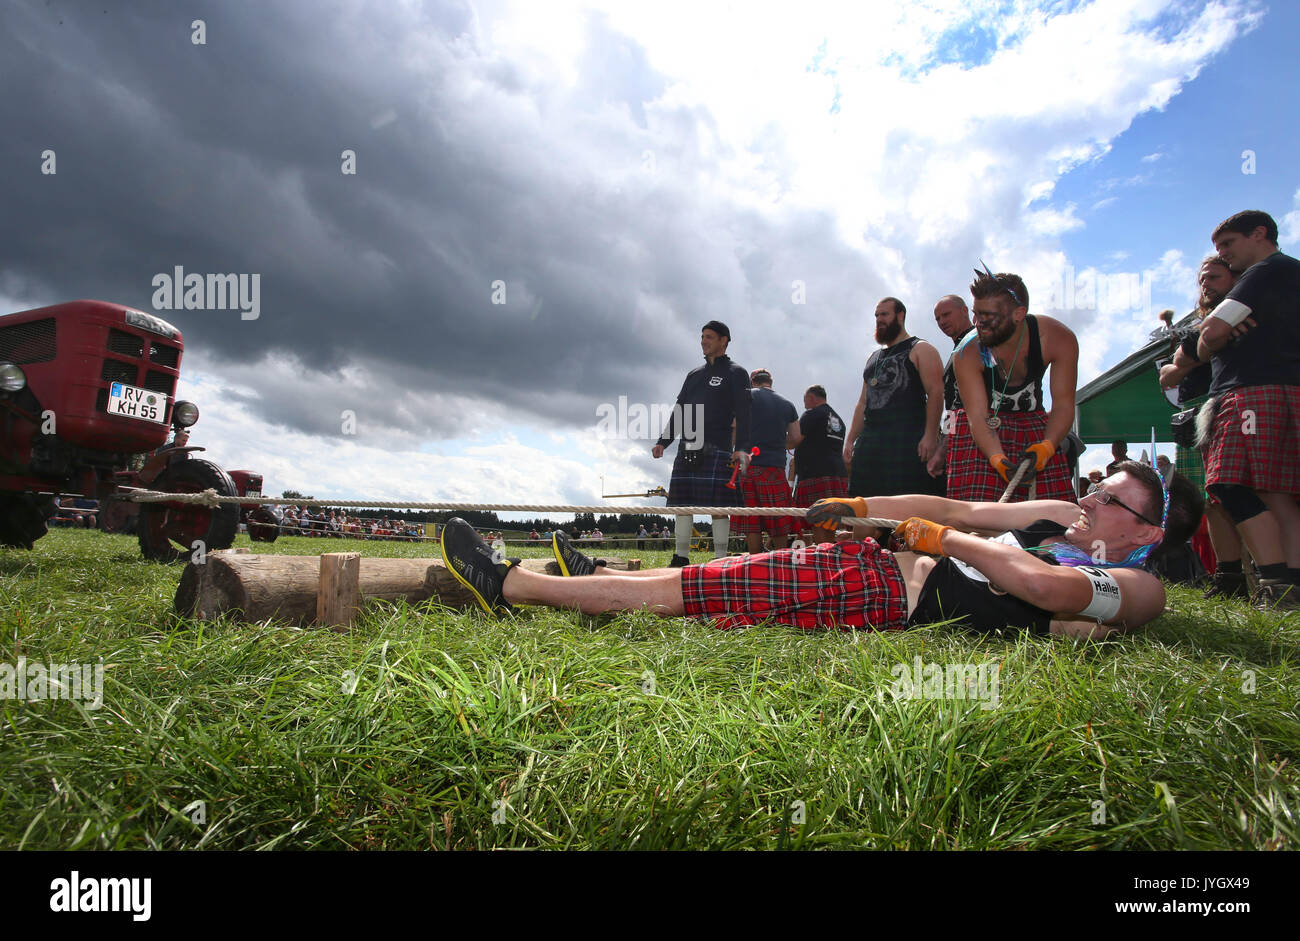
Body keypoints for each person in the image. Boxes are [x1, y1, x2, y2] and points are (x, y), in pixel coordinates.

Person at [438, 461, 1202, 640]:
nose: (1091, 498)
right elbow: (953, 505)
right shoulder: (1056, 520)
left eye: (1110, 497)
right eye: (1096, 484)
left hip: (895, 592)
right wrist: (865, 508)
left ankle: (512, 585)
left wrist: (945, 541)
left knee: (689, 591)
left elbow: (1055, 596)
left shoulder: (1138, 585)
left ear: (1150, 530)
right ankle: (587, 578)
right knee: (717, 578)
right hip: (882, 566)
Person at [1182, 209, 1300, 608]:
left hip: (1251, 392)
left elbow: (1209, 336)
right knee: (1279, 493)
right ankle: (1288, 586)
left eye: (1228, 245)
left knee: (1227, 485)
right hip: (1286, 387)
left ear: (1259, 234)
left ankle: (1274, 582)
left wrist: (1214, 333)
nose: (1225, 255)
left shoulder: (1262, 273)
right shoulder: (1291, 272)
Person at [948, 268, 1079, 504]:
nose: (978, 324)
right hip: (980, 431)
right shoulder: (965, 352)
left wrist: (1047, 447)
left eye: (988, 316)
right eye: (976, 314)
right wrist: (997, 459)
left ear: (1019, 313)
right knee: (978, 520)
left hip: (1034, 424)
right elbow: (974, 416)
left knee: (1054, 518)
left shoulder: (1058, 338)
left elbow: (1063, 404)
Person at [652, 320, 753, 566]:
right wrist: (663, 442)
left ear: (723, 340)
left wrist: (741, 447)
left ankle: (720, 558)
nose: (703, 341)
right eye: (702, 337)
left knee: (719, 507)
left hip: (718, 447)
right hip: (688, 445)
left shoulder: (736, 373)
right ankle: (680, 557)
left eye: (709, 337)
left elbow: (745, 412)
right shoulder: (694, 375)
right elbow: (680, 411)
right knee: (682, 504)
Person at [844, 298, 944, 498]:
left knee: (909, 506)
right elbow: (863, 402)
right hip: (872, 441)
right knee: (865, 504)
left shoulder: (921, 349)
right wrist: (850, 440)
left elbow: (936, 393)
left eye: (884, 315)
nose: (879, 320)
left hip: (908, 440)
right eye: (876, 316)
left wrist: (930, 436)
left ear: (901, 316)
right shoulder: (873, 357)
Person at [731, 368, 802, 553]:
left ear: (752, 381)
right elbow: (795, 438)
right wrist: (777, 442)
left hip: (748, 466)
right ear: (771, 382)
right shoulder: (787, 404)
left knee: (751, 518)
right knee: (778, 517)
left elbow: (733, 427)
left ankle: (755, 559)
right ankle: (780, 558)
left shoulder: (745, 396)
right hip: (775, 468)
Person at [926, 295, 976, 489]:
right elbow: (953, 407)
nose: (942, 322)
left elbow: (958, 405)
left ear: (965, 311)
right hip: (963, 436)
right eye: (938, 318)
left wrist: (942, 448)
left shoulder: (972, 344)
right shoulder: (959, 349)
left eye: (946, 314)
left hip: (973, 438)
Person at [792, 384, 849, 544]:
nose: (804, 405)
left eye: (805, 401)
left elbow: (795, 439)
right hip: (838, 474)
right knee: (830, 521)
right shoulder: (838, 419)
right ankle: (829, 554)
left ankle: (823, 557)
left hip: (815, 474)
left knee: (817, 519)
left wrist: (778, 443)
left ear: (811, 398)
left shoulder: (812, 415)